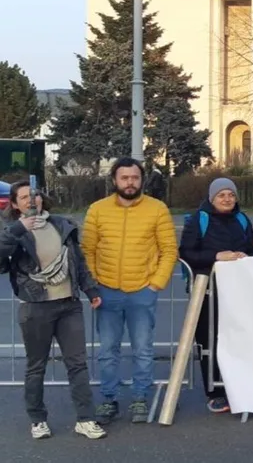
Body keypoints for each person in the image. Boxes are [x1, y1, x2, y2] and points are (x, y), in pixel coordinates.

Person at [0, 181, 107, 440]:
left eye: (34, 196)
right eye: (23, 197)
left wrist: (91, 291)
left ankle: (85, 419)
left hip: (68, 305)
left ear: (42, 199)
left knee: (77, 364)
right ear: (14, 204)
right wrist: (20, 227)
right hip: (35, 307)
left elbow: (77, 262)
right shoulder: (13, 230)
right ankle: (37, 419)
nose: (31, 201)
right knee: (36, 367)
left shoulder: (61, 225)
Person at [82, 158, 178, 425]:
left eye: (134, 177)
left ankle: (140, 397)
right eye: (124, 178)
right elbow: (87, 250)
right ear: (114, 180)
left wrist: (155, 283)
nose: (129, 183)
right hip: (106, 290)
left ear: (141, 180)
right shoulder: (97, 210)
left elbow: (169, 250)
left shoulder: (157, 209)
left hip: (142, 291)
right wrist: (93, 284)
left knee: (143, 349)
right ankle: (109, 398)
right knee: (107, 349)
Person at [178, 178, 253, 414]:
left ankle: (238, 386)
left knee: (239, 339)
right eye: (221, 195)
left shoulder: (242, 220)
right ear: (212, 198)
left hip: (238, 291)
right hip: (207, 291)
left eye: (231, 195)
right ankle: (214, 392)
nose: (227, 199)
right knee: (209, 341)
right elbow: (187, 253)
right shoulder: (198, 220)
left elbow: (252, 249)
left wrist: (244, 255)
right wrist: (217, 256)